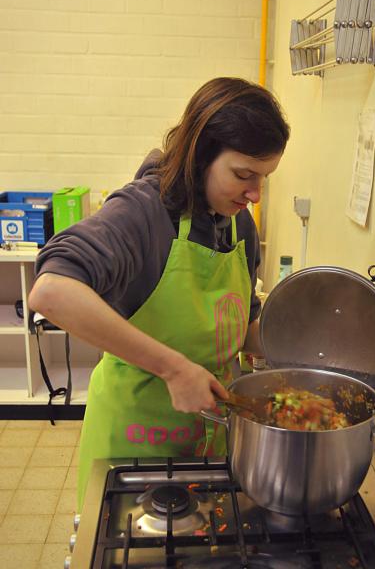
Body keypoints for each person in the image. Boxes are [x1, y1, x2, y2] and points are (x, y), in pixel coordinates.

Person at [28, 77, 290, 510]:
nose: (255, 194)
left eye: (263, 179)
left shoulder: (239, 225)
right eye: (243, 175)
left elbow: (241, 330)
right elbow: (52, 291)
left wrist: (308, 346)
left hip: (212, 445)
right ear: (201, 154)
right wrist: (173, 369)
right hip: (135, 451)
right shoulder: (143, 213)